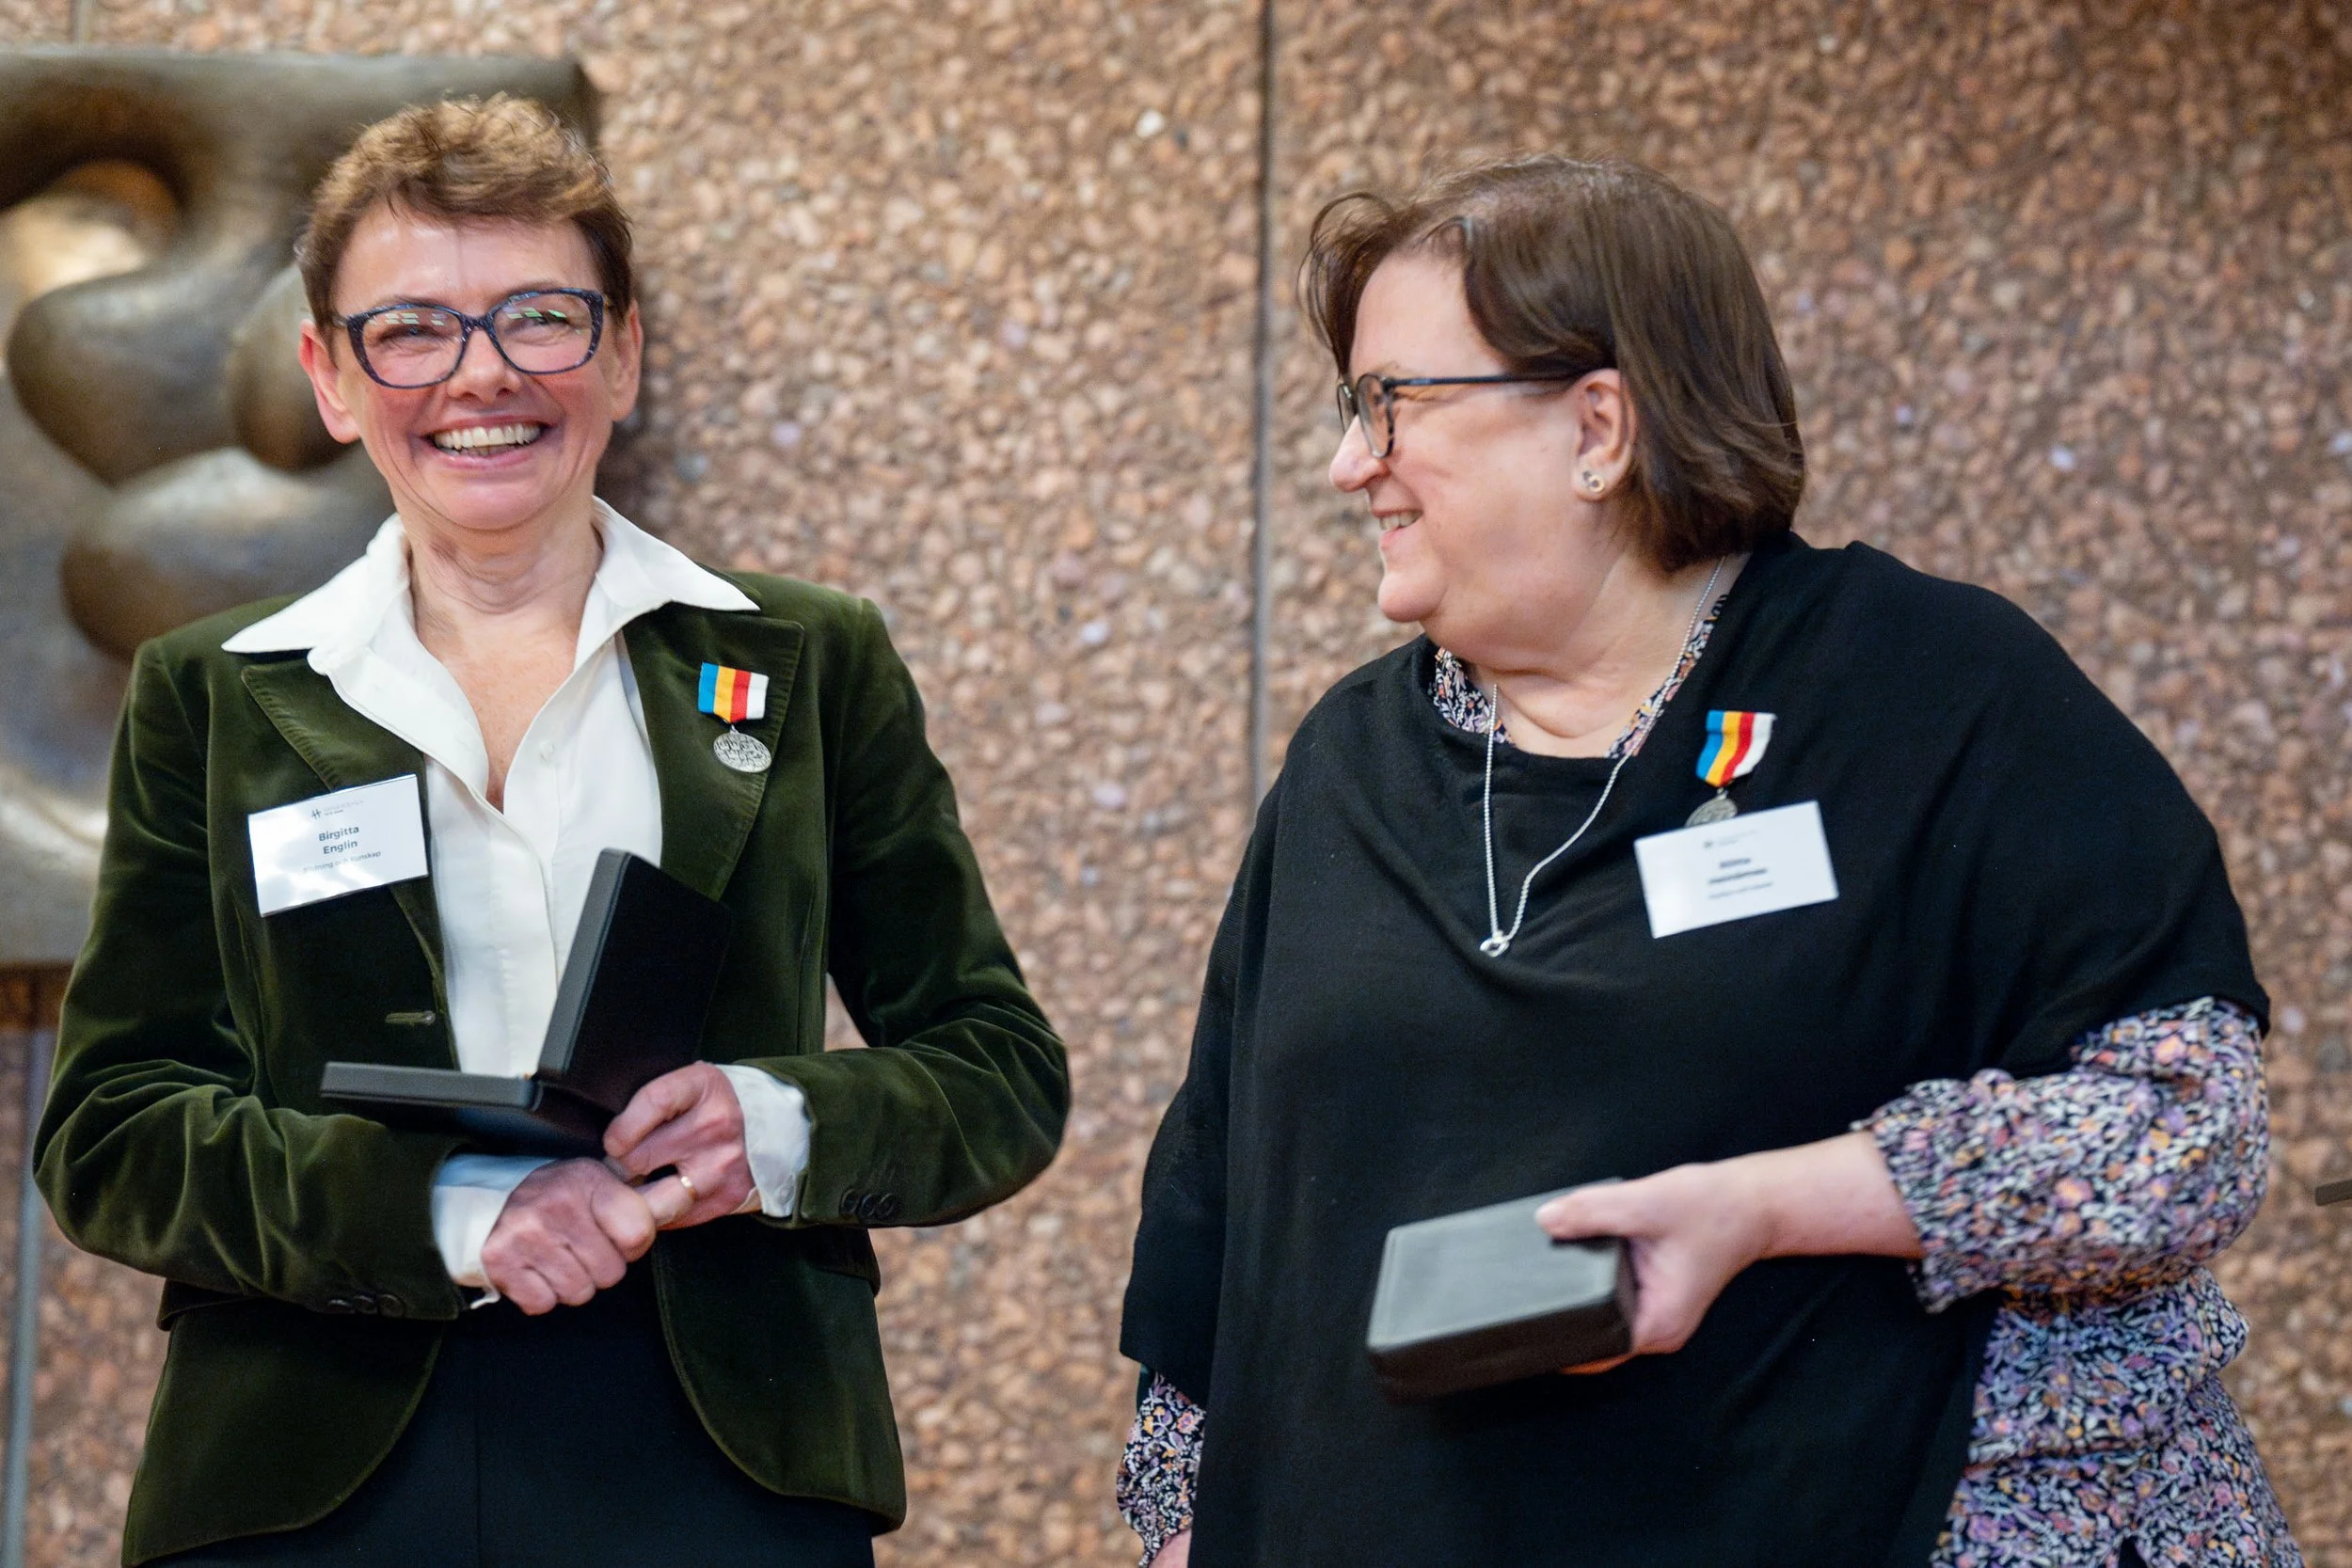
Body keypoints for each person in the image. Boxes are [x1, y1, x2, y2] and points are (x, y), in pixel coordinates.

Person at [1116, 155, 2296, 1568]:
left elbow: (2184, 1133)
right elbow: (1226, 1214)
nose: (1349, 461)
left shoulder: (1929, 693)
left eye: (1394, 402)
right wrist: (1184, 1519)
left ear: (1598, 426)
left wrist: (1770, 1205)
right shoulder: (1349, 764)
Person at [36, 96, 1066, 1567]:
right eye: (412, 329)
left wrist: (770, 1126)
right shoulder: (214, 695)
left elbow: (996, 1067)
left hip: (719, 1458)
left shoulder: (809, 663)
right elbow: (112, 1132)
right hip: (308, 1473)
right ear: (331, 377)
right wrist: (451, 1207)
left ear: (624, 350)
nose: (484, 374)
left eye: (541, 316)